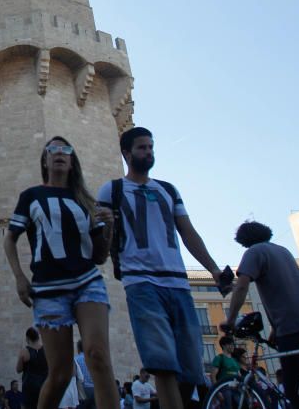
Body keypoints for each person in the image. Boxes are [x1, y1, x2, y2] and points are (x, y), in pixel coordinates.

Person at [99, 127, 231, 409]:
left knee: (190, 368)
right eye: (141, 148)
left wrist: (213, 270)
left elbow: (189, 233)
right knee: (162, 363)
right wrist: (106, 226)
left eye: (150, 147)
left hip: (178, 283)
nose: (148, 152)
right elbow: (100, 239)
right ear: (126, 153)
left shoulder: (168, 190)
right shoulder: (112, 190)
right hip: (141, 282)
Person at [4, 137, 119, 409]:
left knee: (98, 356)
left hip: (87, 281)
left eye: (65, 149)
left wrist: (110, 228)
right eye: (52, 149)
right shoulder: (31, 197)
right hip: (48, 288)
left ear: (72, 160)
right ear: (44, 160)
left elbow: (99, 256)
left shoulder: (84, 202)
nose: (59, 153)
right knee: (60, 374)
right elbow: (10, 238)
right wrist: (19, 277)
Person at [222, 221, 299, 409]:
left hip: (293, 325)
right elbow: (285, 289)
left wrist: (231, 320)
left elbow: (242, 285)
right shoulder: (283, 251)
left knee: (293, 385)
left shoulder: (254, 252)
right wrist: (275, 330)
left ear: (243, 240)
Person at [15, 329, 47, 409]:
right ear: (38, 337)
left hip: (29, 387)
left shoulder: (24, 352)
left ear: (27, 338)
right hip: (44, 385)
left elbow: (18, 369)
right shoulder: (46, 349)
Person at [73, 340, 94, 409]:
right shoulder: (94, 359)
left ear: (78, 348)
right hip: (94, 389)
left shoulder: (75, 359)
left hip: (81, 390)